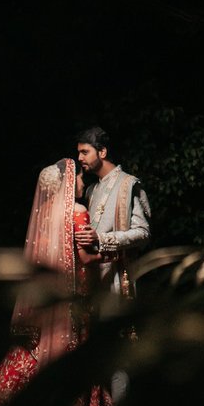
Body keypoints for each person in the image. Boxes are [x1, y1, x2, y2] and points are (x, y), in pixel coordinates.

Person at [0, 158, 110, 406]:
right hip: (74, 295)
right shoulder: (77, 211)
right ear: (67, 183)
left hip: (49, 294)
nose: (82, 181)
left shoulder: (44, 214)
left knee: (37, 350)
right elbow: (86, 258)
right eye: (78, 177)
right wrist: (112, 254)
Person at [74, 126, 152, 301]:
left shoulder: (129, 184)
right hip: (93, 277)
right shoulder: (91, 190)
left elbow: (143, 233)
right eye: (79, 153)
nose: (80, 158)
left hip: (119, 277)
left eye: (85, 152)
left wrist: (101, 239)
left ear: (102, 152)